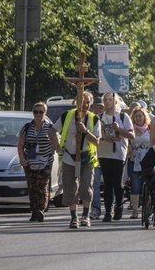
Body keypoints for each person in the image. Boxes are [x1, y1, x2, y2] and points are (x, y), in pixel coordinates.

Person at [54, 92, 102, 229]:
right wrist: (57, 146)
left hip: (87, 158)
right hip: (69, 157)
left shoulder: (94, 119)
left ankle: (86, 216)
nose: (85, 105)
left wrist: (85, 131)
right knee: (70, 188)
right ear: (77, 102)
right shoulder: (66, 116)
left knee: (86, 187)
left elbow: (97, 141)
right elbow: (52, 131)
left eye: (87, 103)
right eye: (82, 102)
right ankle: (74, 217)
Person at [17, 102, 59, 222]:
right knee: (32, 187)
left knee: (42, 185)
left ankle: (41, 209)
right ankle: (34, 211)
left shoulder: (50, 127)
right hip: (30, 161)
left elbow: (55, 143)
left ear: (45, 113)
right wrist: (21, 158)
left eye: (41, 112)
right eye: (36, 112)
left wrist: (50, 154)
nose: (38, 114)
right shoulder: (26, 127)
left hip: (45, 161)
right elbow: (20, 144)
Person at [97, 92, 134, 222]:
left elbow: (131, 136)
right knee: (107, 183)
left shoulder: (123, 117)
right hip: (104, 153)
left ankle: (118, 206)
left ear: (115, 102)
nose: (108, 102)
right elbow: (95, 135)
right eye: (105, 100)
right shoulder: (99, 118)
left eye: (110, 100)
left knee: (117, 183)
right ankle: (107, 211)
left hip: (119, 153)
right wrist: (103, 137)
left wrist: (118, 130)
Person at [126, 106, 151, 219]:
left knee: (148, 186)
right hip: (134, 160)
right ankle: (135, 211)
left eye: (140, 116)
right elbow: (126, 143)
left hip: (147, 161)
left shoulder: (150, 129)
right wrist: (129, 151)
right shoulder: (131, 130)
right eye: (136, 116)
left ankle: (148, 208)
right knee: (135, 186)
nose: (138, 118)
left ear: (144, 117)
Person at [89, 96, 105, 220]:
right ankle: (96, 208)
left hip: (110, 156)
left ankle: (111, 207)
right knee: (95, 185)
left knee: (111, 184)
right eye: (96, 107)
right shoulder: (91, 120)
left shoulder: (110, 118)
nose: (98, 109)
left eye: (100, 107)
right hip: (95, 157)